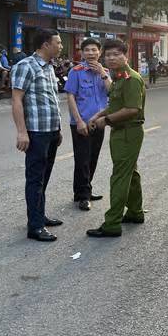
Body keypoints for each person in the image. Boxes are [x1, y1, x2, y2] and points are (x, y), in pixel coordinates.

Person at [86, 39, 146, 238]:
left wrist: (107, 120)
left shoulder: (131, 79)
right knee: (131, 173)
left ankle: (112, 223)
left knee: (120, 176)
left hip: (128, 132)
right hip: (122, 132)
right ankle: (135, 212)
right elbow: (116, 105)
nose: (110, 59)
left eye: (115, 55)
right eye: (108, 55)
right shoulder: (119, 78)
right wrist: (99, 115)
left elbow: (132, 109)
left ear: (125, 56)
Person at [10, 29, 64, 242]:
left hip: (50, 131)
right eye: (58, 43)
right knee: (35, 179)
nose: (61, 46)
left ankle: (39, 216)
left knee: (44, 177)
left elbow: (50, 101)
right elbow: (16, 100)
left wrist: (57, 130)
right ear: (45, 44)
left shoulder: (50, 67)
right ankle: (35, 227)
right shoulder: (26, 66)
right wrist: (22, 132)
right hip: (36, 133)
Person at [65, 38, 112, 211]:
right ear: (82, 53)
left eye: (94, 50)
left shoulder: (105, 72)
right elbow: (70, 97)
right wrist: (78, 121)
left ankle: (86, 190)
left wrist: (102, 73)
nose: (91, 53)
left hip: (98, 123)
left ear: (99, 52)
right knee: (82, 159)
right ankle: (83, 196)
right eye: (87, 50)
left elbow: (111, 91)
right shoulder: (75, 72)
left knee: (93, 157)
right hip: (82, 123)